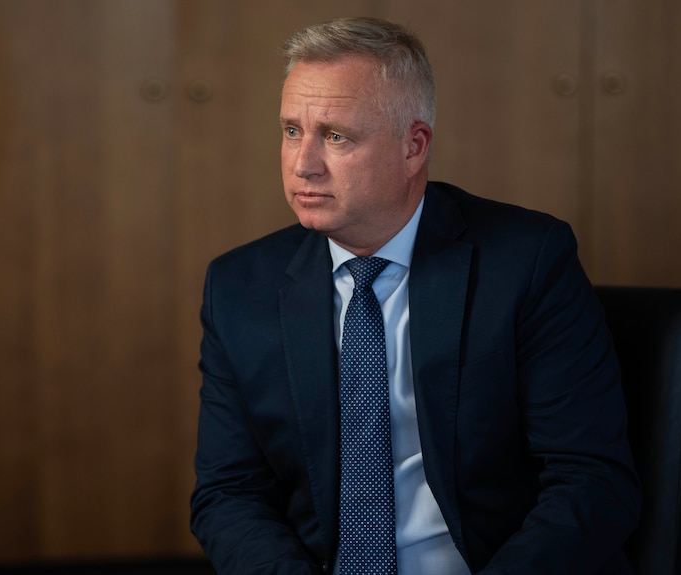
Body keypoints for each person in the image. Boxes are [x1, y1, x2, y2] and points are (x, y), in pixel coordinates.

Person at [190, 16, 640, 575]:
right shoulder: (238, 287)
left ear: (414, 146)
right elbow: (229, 493)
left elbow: (590, 481)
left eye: (336, 136)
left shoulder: (527, 261)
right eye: (290, 131)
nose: (302, 163)